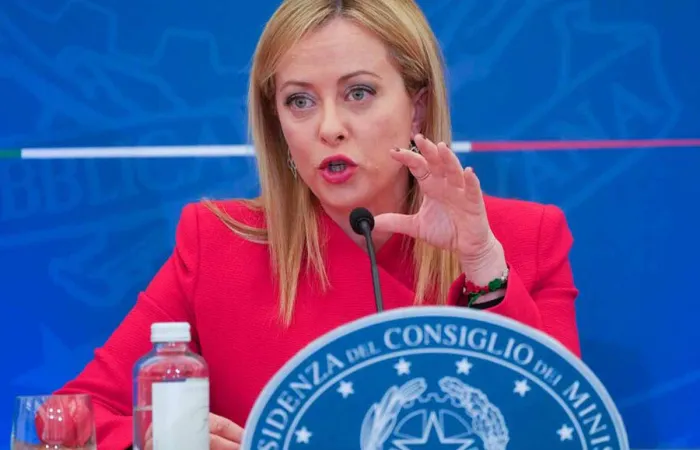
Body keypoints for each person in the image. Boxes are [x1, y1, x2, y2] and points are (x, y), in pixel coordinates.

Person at [46, 0, 581, 448]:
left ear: (417, 108)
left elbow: (554, 431)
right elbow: (65, 420)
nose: (329, 127)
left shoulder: (524, 239)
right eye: (299, 101)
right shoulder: (218, 243)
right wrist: (161, 440)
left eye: (358, 93)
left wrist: (482, 262)